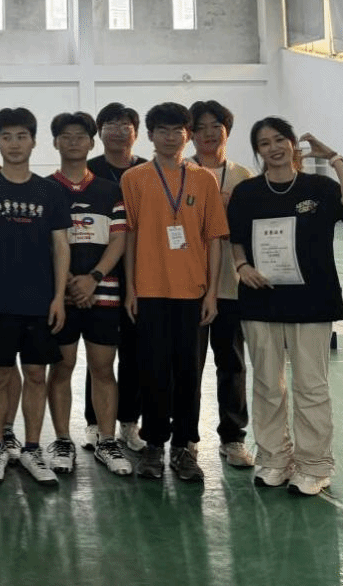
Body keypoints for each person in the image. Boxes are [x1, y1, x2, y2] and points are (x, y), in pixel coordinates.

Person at [228, 120, 343, 496]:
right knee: (267, 386)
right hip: (260, 301)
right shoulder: (247, 192)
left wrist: (333, 158)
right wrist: (242, 266)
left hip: (313, 302)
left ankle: (315, 466)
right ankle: (274, 460)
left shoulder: (320, 187)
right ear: (257, 151)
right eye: (264, 143)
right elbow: (236, 239)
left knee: (311, 387)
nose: (273, 148)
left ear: (292, 144)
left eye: (279, 140)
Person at [122, 102, 228, 483]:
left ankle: (184, 446)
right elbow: (130, 235)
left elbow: (214, 239)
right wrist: (131, 287)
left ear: (188, 135)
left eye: (177, 130)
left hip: (192, 294)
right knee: (152, 372)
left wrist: (211, 294)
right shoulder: (134, 179)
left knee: (189, 374)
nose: (170, 137)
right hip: (149, 291)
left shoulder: (205, 180)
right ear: (150, 135)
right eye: (162, 130)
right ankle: (154, 444)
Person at [0, 107, 70, 488]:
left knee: (37, 375)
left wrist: (59, 297)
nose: (13, 144)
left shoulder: (51, 191)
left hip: (40, 302)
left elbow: (61, 247)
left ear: (34, 141)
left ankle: (32, 448)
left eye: (21, 136)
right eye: (6, 137)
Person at [44, 112, 132, 477]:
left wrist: (93, 278)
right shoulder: (45, 189)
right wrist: (67, 284)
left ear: (91, 142)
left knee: (103, 368)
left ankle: (107, 441)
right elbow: (43, 244)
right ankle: (63, 440)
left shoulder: (110, 190)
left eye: (80, 136)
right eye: (66, 136)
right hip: (60, 298)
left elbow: (119, 239)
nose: (73, 142)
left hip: (104, 295)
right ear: (56, 142)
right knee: (61, 367)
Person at [189, 100, 256, 469]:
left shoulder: (243, 176)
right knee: (188, 365)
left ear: (227, 130)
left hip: (231, 285)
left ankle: (233, 438)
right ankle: (186, 436)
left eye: (216, 125)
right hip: (189, 286)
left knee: (232, 364)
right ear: (190, 134)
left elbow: (252, 229)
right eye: (200, 127)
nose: (209, 133)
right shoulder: (181, 173)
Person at [84, 102, 148, 453]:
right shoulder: (89, 170)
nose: (118, 131)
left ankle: (128, 422)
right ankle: (95, 422)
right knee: (99, 354)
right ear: (100, 132)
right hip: (99, 273)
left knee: (135, 351)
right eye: (110, 124)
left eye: (126, 125)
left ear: (136, 133)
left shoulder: (148, 171)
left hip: (141, 273)